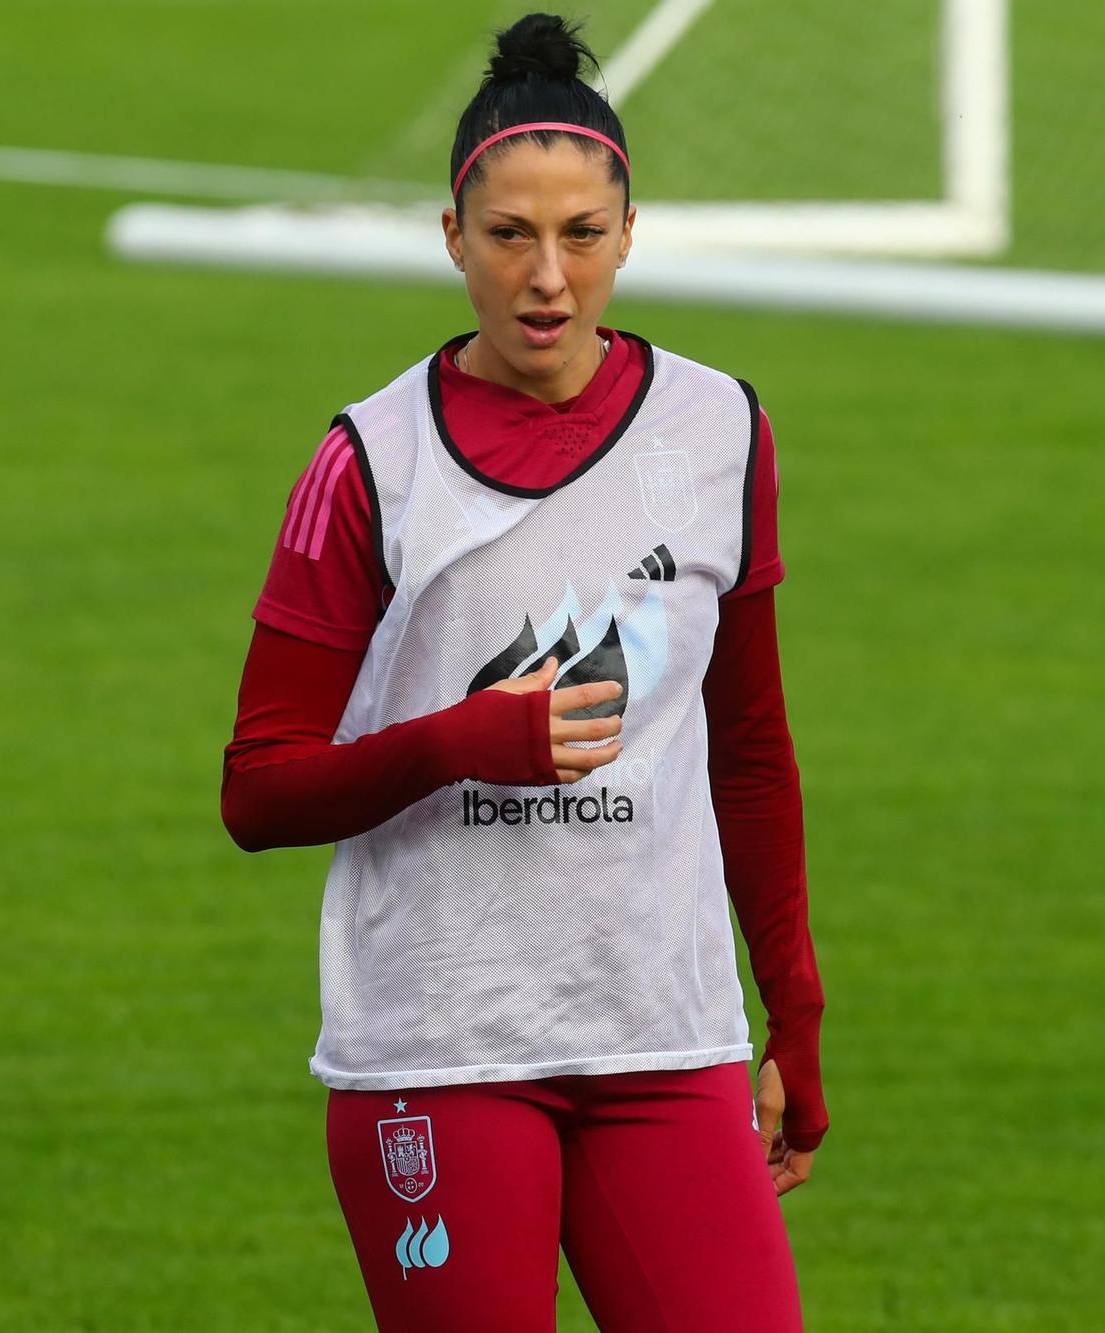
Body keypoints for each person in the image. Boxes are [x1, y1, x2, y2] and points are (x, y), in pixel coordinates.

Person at [220, 15, 827, 1331]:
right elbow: (258, 791)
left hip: (666, 1039)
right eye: (509, 236)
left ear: (628, 231)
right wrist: (459, 742)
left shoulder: (721, 430)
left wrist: (796, 1012)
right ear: (452, 236)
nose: (547, 277)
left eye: (582, 235)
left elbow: (752, 749)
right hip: (441, 1053)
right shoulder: (369, 465)